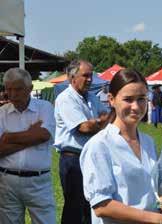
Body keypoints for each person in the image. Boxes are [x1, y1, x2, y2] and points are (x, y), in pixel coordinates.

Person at [80, 69, 162, 224]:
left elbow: (145, 199)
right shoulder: (99, 146)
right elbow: (102, 205)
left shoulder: (148, 142)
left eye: (141, 99)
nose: (136, 107)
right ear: (111, 100)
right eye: (128, 99)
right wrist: (159, 220)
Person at [54, 60, 109, 224]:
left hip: (92, 157)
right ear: (72, 78)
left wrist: (97, 122)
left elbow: (110, 119)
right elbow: (83, 127)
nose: (90, 79)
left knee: (91, 204)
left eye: (91, 75)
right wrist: (100, 122)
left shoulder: (92, 97)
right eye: (85, 75)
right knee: (75, 207)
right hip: (73, 159)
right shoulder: (65, 98)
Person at [0, 68, 56, 224]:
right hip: (7, 182)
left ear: (30, 89)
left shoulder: (45, 107)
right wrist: (31, 135)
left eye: (18, 89)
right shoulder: (2, 113)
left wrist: (7, 138)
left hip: (38, 182)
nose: (12, 94)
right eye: (8, 89)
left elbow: (43, 135)